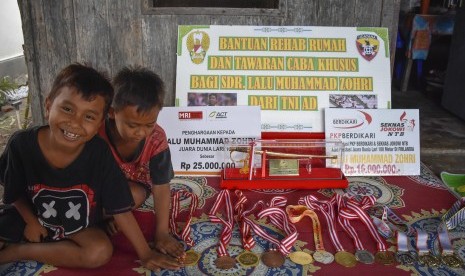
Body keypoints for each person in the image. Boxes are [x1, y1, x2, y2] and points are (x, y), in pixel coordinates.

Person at [0, 64, 182, 271]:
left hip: (78, 221)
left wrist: (147, 252)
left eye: (88, 117)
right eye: (67, 109)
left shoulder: (98, 151)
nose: (75, 123)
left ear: (99, 123)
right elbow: (13, 191)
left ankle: (17, 251)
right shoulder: (21, 145)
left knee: (99, 251)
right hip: (31, 213)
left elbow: (123, 207)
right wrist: (31, 222)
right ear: (48, 104)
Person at [98, 66, 185, 260]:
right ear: (112, 112)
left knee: (134, 194)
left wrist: (162, 232)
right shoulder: (97, 135)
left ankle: (105, 217)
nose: (141, 133)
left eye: (149, 124)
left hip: (131, 189)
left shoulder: (156, 139)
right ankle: (99, 221)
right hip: (98, 192)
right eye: (132, 125)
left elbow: (161, 186)